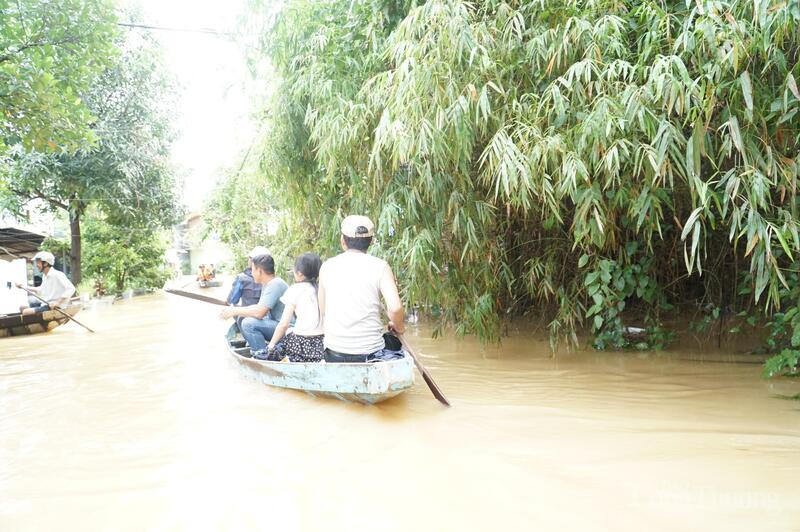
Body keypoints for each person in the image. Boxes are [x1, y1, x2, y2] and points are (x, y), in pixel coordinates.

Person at [318, 215, 405, 363]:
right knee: (393, 344)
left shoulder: (327, 266)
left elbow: (323, 309)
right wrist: (399, 327)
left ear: (342, 241)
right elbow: (395, 308)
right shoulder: (381, 267)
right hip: (371, 353)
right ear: (370, 242)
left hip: (334, 353)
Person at [220, 254, 287, 355]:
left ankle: (262, 355)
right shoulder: (268, 284)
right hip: (276, 325)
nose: (251, 273)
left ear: (259, 271)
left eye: (252, 270)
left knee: (248, 324)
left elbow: (260, 313)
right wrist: (235, 311)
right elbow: (259, 307)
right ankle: (256, 347)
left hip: (286, 330)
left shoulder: (275, 285)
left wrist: (234, 311)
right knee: (241, 317)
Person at [266, 252, 324, 362]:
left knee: (277, 348)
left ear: (300, 273)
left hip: (301, 344)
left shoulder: (295, 290)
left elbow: (283, 324)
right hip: (322, 343)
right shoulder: (322, 290)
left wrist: (271, 345)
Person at [17, 251, 76, 315]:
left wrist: (57, 303)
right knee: (22, 307)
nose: (36, 265)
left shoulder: (57, 274)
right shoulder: (45, 276)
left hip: (54, 306)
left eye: (38, 262)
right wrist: (23, 286)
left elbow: (71, 288)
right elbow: (40, 289)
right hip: (46, 304)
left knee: (26, 312)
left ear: (45, 263)